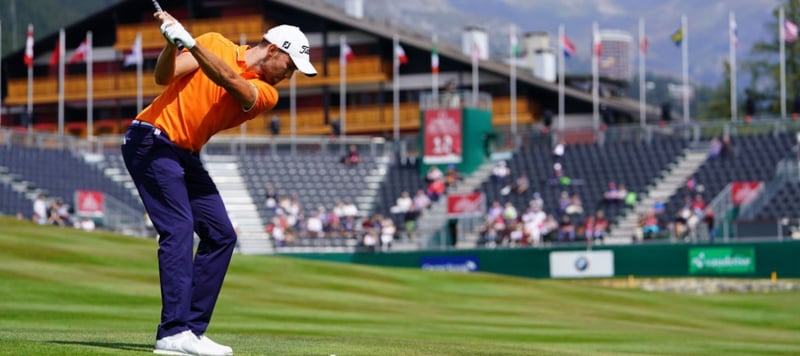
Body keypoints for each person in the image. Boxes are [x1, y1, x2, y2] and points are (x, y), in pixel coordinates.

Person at [120, 11, 317, 356]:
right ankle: (173, 332)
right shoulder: (214, 43)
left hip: (185, 154)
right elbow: (162, 77)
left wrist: (191, 45)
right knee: (179, 228)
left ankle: (190, 331)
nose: (290, 75)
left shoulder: (266, 93)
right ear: (273, 50)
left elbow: (228, 79)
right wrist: (171, 44)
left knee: (221, 234)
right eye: (290, 65)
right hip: (150, 140)